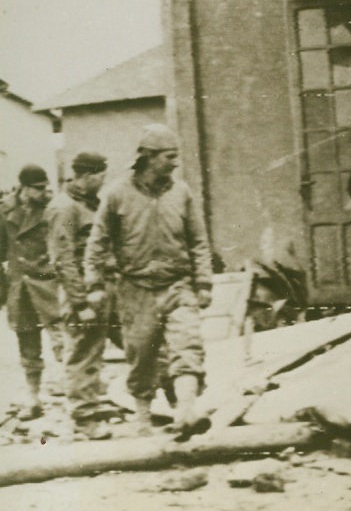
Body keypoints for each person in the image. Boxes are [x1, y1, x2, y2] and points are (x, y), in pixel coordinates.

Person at [84, 125, 214, 436]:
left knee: (188, 346)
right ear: (148, 157)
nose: (174, 163)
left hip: (177, 285)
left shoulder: (181, 192)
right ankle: (142, 420)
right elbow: (97, 241)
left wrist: (205, 283)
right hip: (136, 288)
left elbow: (198, 241)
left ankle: (185, 412)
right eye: (170, 156)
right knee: (141, 354)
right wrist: (94, 283)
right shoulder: (117, 194)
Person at [47, 151, 120, 438]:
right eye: (101, 176)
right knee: (83, 353)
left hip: (107, 289)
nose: (104, 181)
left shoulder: (91, 203)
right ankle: (84, 419)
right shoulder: (64, 209)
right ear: (87, 176)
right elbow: (63, 259)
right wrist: (79, 303)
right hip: (84, 296)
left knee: (141, 342)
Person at [0, 164, 63, 420]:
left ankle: (81, 397)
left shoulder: (54, 208)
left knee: (65, 341)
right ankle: (33, 398)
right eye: (38, 188)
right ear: (24, 188)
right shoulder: (4, 211)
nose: (45, 192)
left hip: (49, 283)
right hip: (21, 286)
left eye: (46, 187)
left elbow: (66, 235)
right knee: (28, 345)